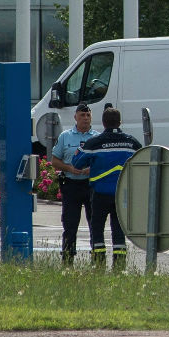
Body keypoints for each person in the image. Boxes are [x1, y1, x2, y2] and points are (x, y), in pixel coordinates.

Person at [72, 106, 142, 272]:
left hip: (100, 194)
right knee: (119, 230)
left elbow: (77, 162)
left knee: (97, 228)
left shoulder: (95, 142)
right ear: (120, 122)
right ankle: (119, 266)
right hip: (122, 195)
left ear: (103, 123)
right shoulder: (131, 142)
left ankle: (99, 264)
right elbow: (143, 160)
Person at [51, 102, 99, 265]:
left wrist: (92, 169)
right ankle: (68, 259)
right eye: (82, 115)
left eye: (88, 115)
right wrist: (69, 168)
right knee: (70, 224)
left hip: (91, 185)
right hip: (71, 185)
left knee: (95, 224)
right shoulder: (65, 136)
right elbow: (55, 161)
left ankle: (97, 259)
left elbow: (103, 162)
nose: (85, 118)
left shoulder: (97, 138)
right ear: (75, 117)